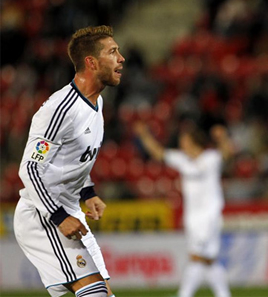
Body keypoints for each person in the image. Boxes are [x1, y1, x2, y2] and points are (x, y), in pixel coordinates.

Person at [14, 25, 124, 297]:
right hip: (43, 215)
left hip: (69, 211)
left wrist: (88, 193)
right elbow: (29, 168)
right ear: (91, 62)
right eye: (113, 52)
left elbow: (72, 158)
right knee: (94, 291)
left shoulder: (96, 103)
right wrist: (59, 216)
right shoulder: (59, 109)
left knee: (105, 293)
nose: (121, 58)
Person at [134, 122, 232, 297]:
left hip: (210, 215)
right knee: (208, 259)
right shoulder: (182, 159)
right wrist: (144, 135)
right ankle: (223, 293)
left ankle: (184, 294)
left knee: (196, 256)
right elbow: (158, 153)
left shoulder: (210, 158)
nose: (182, 145)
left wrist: (222, 137)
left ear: (194, 142)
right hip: (193, 216)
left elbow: (227, 153)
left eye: (185, 141)